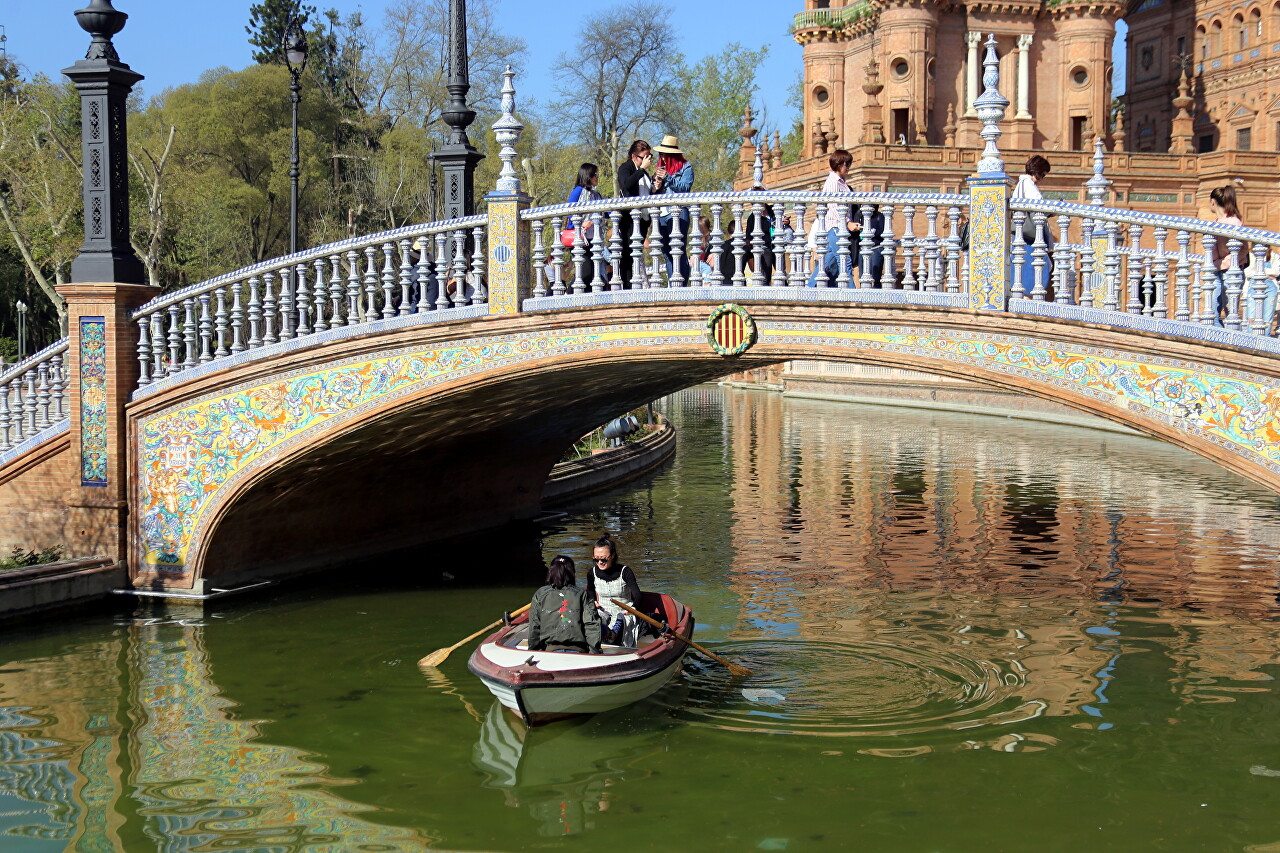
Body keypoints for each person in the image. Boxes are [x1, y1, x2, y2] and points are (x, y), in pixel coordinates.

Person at [527, 555, 602, 654]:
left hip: (550, 651)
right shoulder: (583, 594)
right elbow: (592, 625)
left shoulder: (540, 594)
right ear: (572, 573)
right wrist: (594, 654)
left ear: (551, 573)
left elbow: (534, 627)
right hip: (578, 651)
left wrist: (533, 652)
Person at [651, 135, 694, 282]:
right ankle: (673, 283)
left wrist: (668, 177)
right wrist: (656, 187)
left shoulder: (686, 167)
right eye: (660, 154)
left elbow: (684, 188)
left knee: (678, 250)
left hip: (678, 212)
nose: (661, 157)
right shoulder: (659, 169)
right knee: (667, 253)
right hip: (662, 214)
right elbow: (654, 192)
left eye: (663, 154)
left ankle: (682, 285)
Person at [585, 534, 642, 647]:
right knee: (594, 618)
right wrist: (593, 601)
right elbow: (590, 591)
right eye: (596, 559)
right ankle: (601, 638)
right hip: (603, 609)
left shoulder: (625, 571)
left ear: (613, 555)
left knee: (622, 619)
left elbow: (638, 596)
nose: (600, 562)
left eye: (604, 559)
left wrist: (633, 609)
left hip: (624, 610)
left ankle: (614, 635)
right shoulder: (592, 573)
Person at [1012, 155, 1055, 297]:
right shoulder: (1029, 185)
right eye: (1043, 174)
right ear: (1038, 171)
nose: (1042, 178)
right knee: (1037, 266)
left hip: (1021, 233)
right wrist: (1054, 210)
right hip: (1029, 235)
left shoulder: (1021, 184)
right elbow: (1039, 206)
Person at [1207, 184, 1249, 327]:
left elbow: (1242, 250)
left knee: (1231, 313)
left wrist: (1219, 263)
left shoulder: (1234, 222)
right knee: (1212, 312)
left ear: (1213, 201)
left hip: (1231, 272)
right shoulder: (1215, 224)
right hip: (1216, 272)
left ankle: (1231, 344)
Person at [616, 140, 654, 288]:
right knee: (627, 254)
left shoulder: (644, 173)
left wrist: (656, 186)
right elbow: (626, 185)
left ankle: (634, 285)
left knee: (636, 254)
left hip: (643, 219)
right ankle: (626, 287)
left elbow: (646, 193)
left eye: (650, 156)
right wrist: (642, 170)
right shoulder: (626, 168)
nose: (648, 160)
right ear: (634, 156)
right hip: (629, 219)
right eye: (644, 157)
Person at [566, 163, 606, 284]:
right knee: (585, 272)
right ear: (587, 176)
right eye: (594, 174)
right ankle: (568, 294)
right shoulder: (579, 190)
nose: (597, 177)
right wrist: (582, 223)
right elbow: (568, 209)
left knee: (593, 274)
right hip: (579, 238)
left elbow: (605, 211)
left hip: (592, 238)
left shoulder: (596, 194)